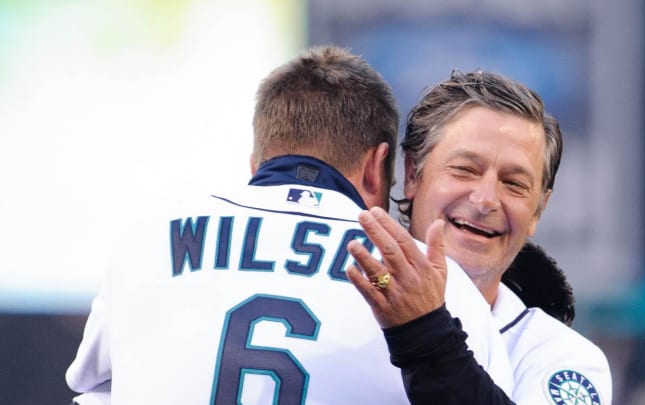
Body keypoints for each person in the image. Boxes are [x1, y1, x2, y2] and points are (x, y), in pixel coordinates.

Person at [65, 46, 514, 404]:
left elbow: (90, 382)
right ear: (378, 166)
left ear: (257, 160)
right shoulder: (435, 284)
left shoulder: (150, 237)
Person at [347, 70, 612, 404]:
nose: (486, 199)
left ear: (537, 211)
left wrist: (423, 333)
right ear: (413, 175)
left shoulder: (562, 357)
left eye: (514, 183)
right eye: (465, 170)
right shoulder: (331, 306)